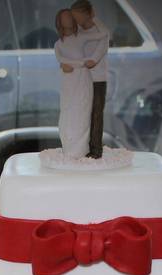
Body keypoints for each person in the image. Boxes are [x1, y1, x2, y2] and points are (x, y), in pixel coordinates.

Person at [70, 0, 109, 159]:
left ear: (87, 14)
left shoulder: (101, 32)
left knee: (95, 114)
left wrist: (95, 17)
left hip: (97, 80)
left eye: (78, 16)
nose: (76, 20)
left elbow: (95, 57)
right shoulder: (77, 33)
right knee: (81, 114)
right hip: (80, 80)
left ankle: (95, 150)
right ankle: (80, 147)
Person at [53, 9, 92, 159]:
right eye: (64, 18)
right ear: (60, 22)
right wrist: (77, 64)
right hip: (69, 83)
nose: (68, 20)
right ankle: (69, 149)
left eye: (70, 17)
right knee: (68, 113)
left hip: (82, 81)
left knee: (82, 113)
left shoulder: (83, 39)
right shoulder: (59, 44)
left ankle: (81, 150)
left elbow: (89, 58)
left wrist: (73, 64)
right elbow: (62, 60)